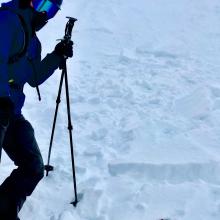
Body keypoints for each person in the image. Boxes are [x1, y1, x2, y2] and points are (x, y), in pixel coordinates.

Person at [0, 0, 73, 219]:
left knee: (32, 167)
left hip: (10, 112)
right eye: (41, 5)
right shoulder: (7, 20)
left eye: (50, 10)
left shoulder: (33, 41)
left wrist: (56, 56)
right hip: (1, 104)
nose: (44, 15)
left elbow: (33, 77)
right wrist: (2, 98)